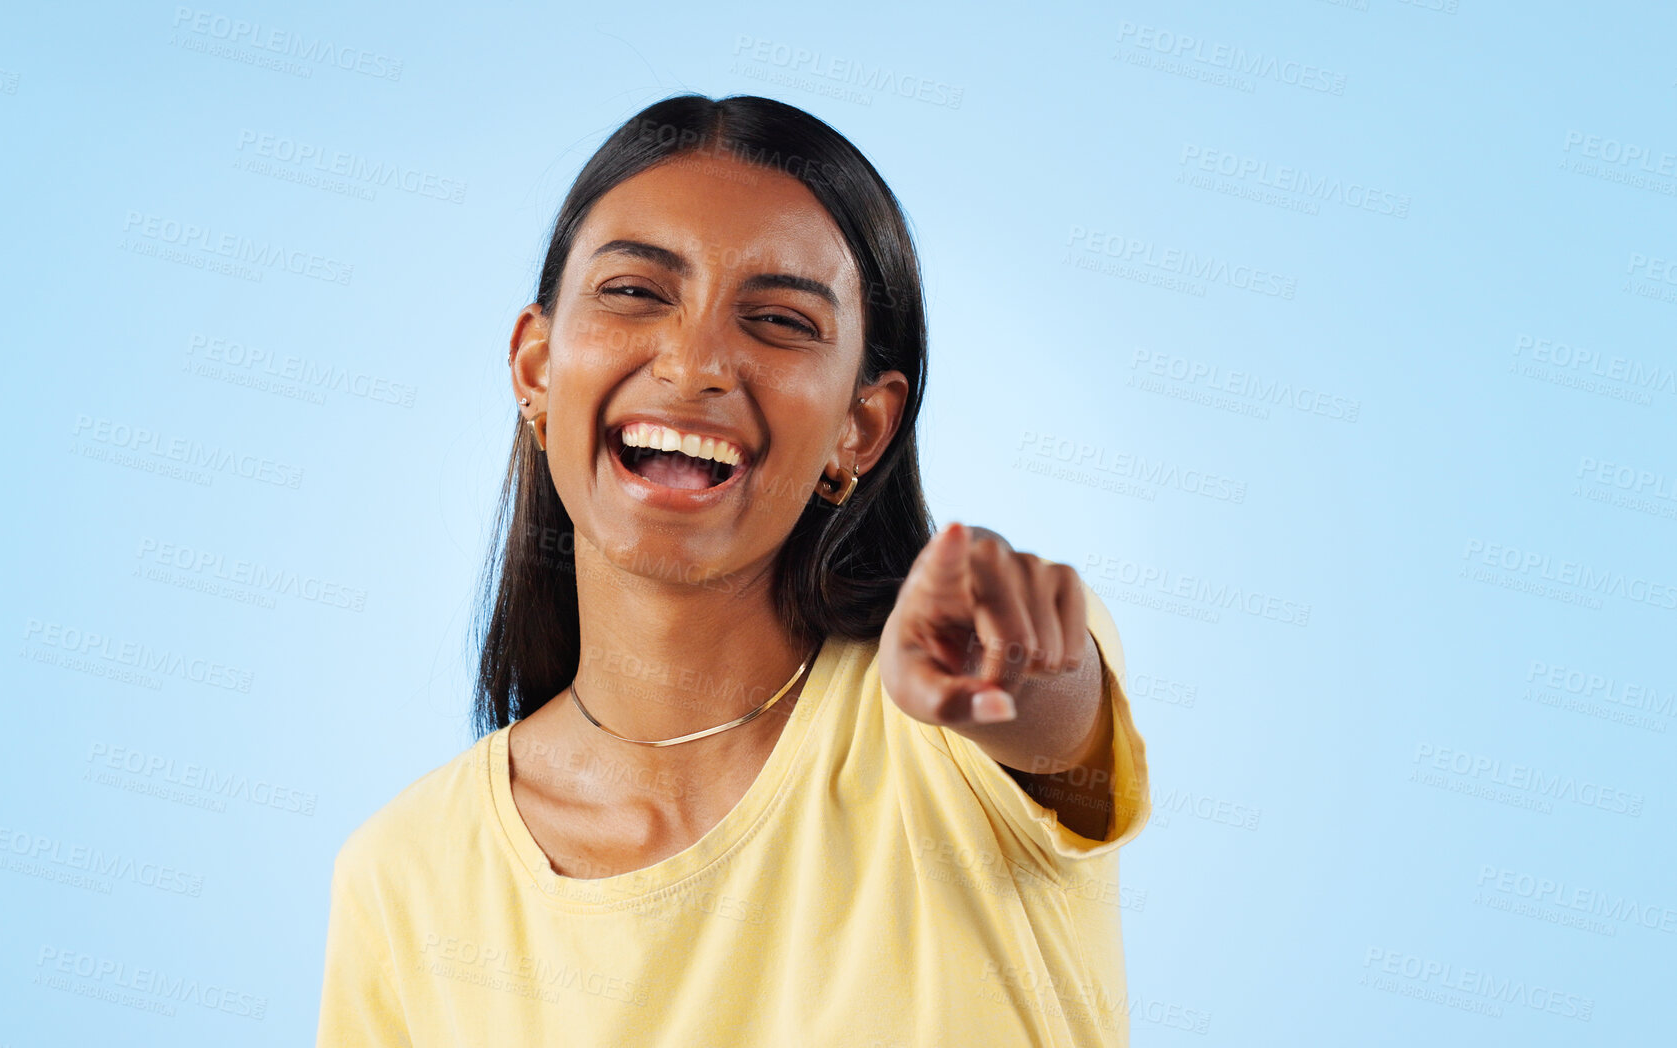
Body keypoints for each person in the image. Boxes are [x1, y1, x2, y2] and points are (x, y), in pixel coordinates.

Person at [315, 92, 1151, 1047]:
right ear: (537, 369)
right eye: (635, 292)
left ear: (860, 428)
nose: (696, 361)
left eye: (780, 320)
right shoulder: (403, 875)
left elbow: (1053, 721)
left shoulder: (953, 744)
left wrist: (1016, 670)